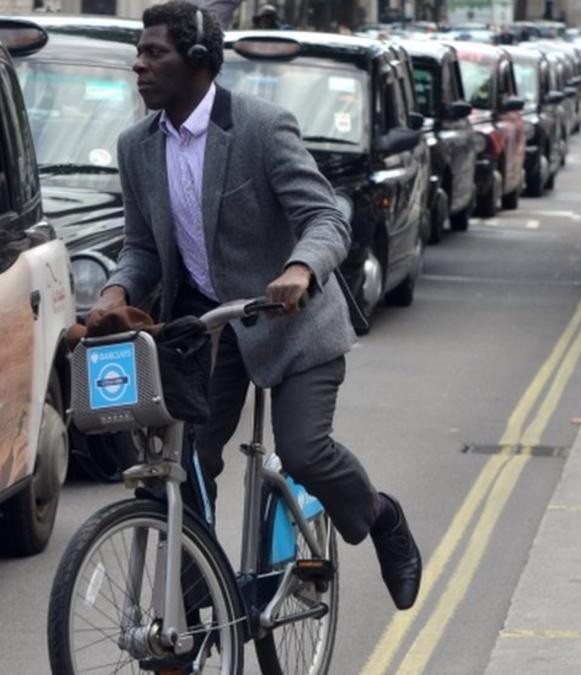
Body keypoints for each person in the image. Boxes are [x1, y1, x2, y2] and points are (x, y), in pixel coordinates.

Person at [91, 1, 423, 611]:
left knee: (303, 451)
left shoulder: (262, 127)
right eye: (138, 53)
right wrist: (116, 290)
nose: (138, 65)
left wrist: (299, 268)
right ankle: (195, 614)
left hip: (292, 327)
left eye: (153, 53)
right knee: (184, 467)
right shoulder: (135, 145)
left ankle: (381, 518)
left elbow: (325, 217)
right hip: (209, 332)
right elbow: (141, 248)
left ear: (199, 62)